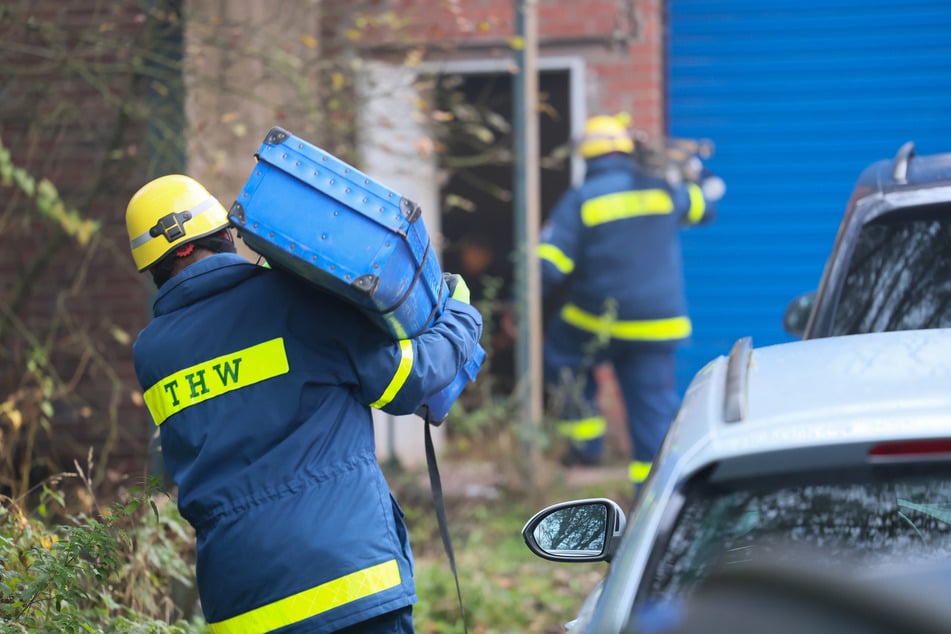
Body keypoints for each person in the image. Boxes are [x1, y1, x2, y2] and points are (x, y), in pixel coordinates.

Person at [125, 174, 482, 633]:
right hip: (352, 580)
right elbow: (405, 382)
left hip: (242, 605)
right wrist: (460, 318)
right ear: (223, 235)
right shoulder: (291, 298)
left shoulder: (150, 354)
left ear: (156, 268)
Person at [538, 114, 718, 491]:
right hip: (659, 323)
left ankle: (586, 444)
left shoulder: (581, 199)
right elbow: (703, 209)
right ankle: (655, 493)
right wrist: (692, 173)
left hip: (597, 320)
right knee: (652, 407)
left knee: (561, 352)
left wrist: (522, 305)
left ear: (587, 157)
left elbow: (551, 266)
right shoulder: (660, 189)